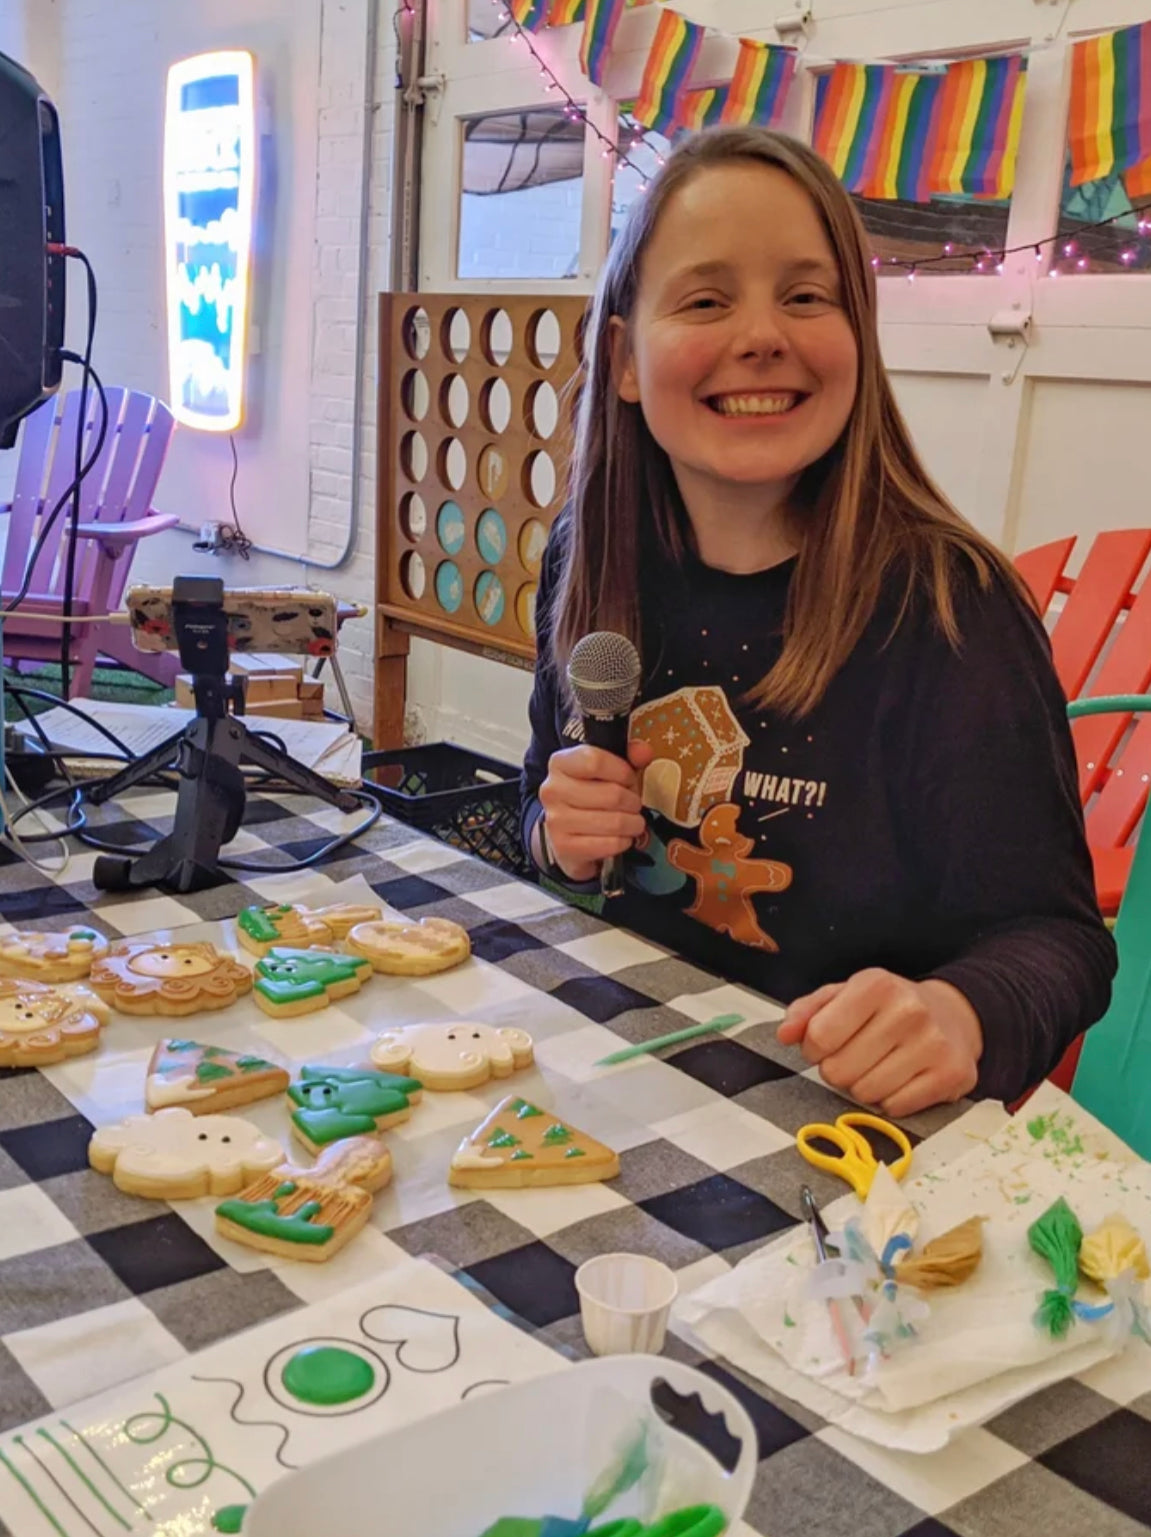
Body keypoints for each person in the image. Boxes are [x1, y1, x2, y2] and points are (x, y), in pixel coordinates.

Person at [520, 126, 1116, 1117]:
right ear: (623, 358)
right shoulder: (589, 560)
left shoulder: (949, 613)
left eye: (804, 295)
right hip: (620, 1077)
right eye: (706, 298)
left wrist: (960, 1012)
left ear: (857, 335)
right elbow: (543, 821)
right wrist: (556, 835)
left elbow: (1057, 942)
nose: (761, 334)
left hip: (846, 1142)